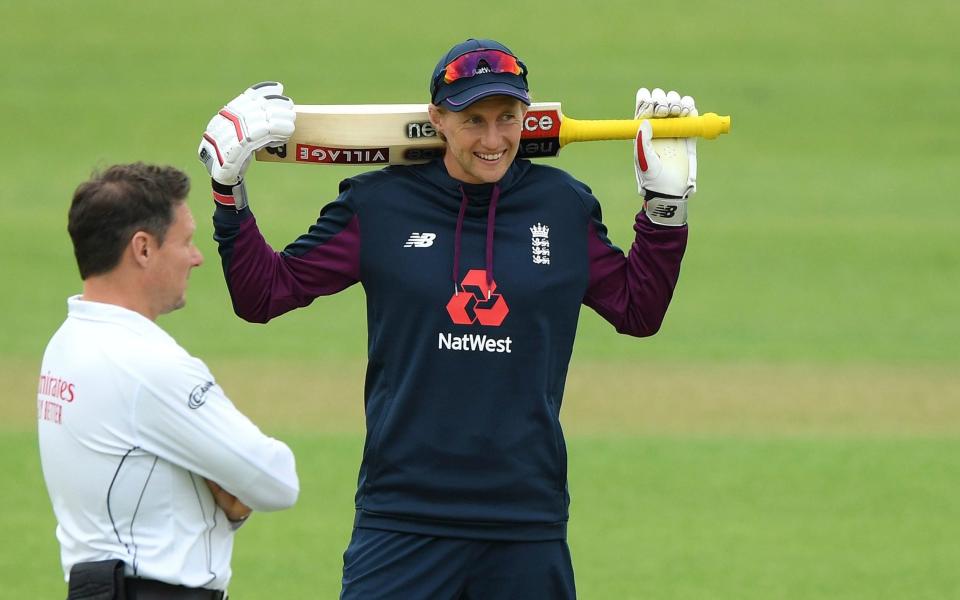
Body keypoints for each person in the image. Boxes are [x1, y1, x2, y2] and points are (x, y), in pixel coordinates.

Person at [198, 38, 697, 599]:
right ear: (437, 117)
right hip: (402, 517)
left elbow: (638, 309)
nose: (492, 139)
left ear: (526, 117)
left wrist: (665, 211)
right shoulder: (377, 207)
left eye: (507, 118)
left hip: (525, 523)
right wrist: (229, 194)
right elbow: (263, 295)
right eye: (472, 120)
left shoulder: (563, 207)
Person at [38, 163, 300, 600]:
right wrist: (233, 490)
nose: (196, 257)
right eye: (186, 241)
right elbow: (276, 480)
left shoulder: (66, 344)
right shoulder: (147, 365)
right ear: (143, 248)